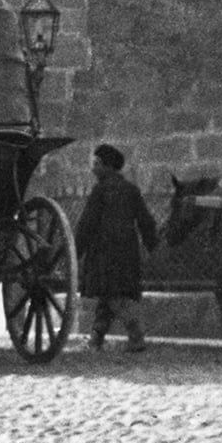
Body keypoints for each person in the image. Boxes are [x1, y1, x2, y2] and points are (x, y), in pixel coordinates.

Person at [75, 144, 159, 353]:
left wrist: (75, 251)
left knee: (114, 297)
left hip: (104, 253)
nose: (93, 169)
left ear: (108, 167)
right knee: (109, 295)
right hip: (127, 252)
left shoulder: (100, 191)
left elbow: (87, 224)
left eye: (97, 164)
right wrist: (152, 244)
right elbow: (146, 221)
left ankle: (136, 335)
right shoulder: (132, 190)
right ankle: (95, 340)